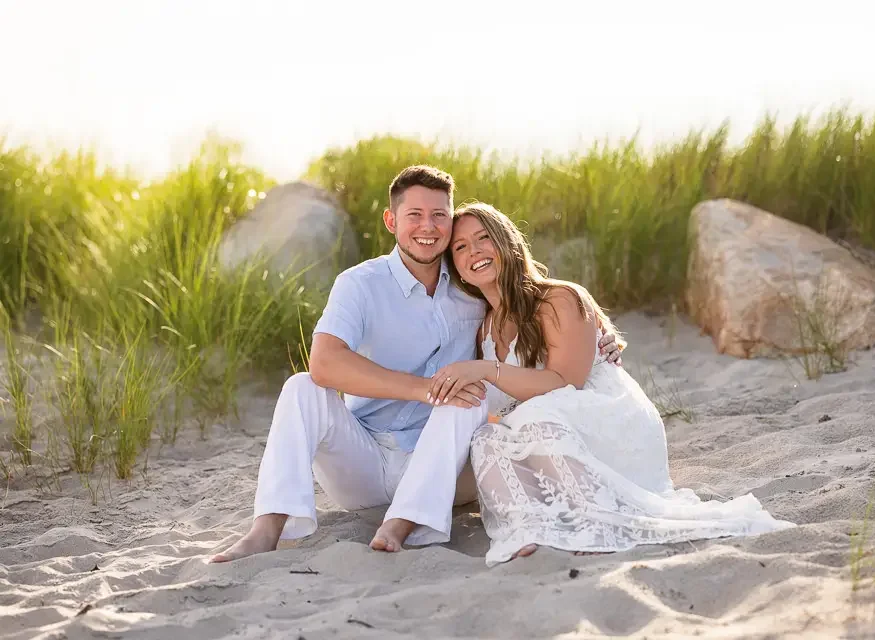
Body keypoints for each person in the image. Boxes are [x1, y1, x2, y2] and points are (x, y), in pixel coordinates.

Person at [209, 167, 622, 563]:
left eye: (439, 215)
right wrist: (423, 389)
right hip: (364, 459)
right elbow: (325, 362)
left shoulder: (469, 285)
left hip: (440, 463)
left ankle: (404, 523)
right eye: (415, 215)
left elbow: (532, 301)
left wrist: (603, 332)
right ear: (391, 220)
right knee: (301, 387)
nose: (428, 226)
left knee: (471, 398)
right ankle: (266, 528)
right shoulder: (360, 284)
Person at [418, 202, 796, 566]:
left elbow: (564, 382)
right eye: (461, 247)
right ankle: (529, 528)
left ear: (508, 244)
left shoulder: (559, 297)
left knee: (535, 417)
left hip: (602, 414)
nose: (474, 251)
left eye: (484, 238)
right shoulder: (484, 326)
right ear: (458, 269)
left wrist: (485, 371)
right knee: (488, 439)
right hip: (549, 424)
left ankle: (595, 521)